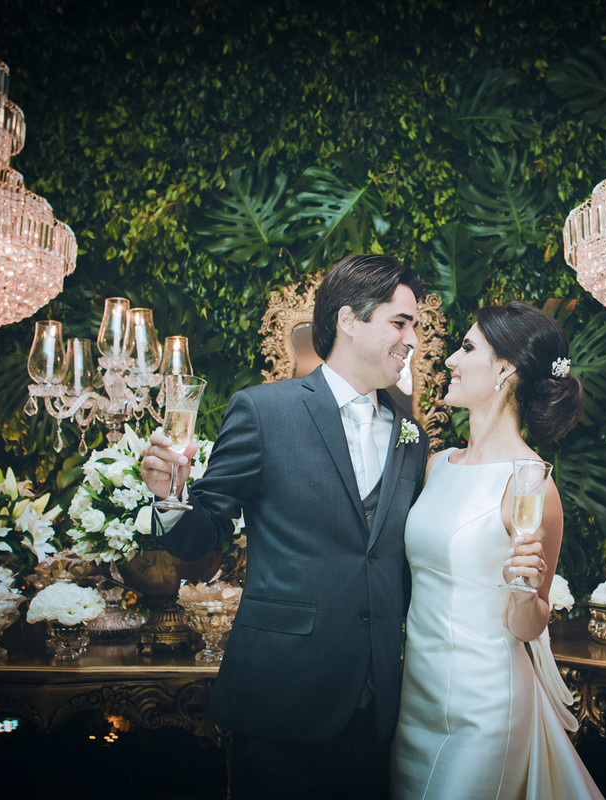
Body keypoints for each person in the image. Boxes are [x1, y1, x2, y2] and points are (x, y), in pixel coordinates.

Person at [140, 254, 430, 800]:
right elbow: (205, 534)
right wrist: (170, 497)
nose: (411, 338)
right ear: (349, 320)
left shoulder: (409, 432)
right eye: (400, 322)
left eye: (413, 325)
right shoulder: (262, 411)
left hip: (379, 706)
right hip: (283, 695)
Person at [390, 301, 605, 799]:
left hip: (486, 704)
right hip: (415, 695)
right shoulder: (437, 464)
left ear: (505, 370)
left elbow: (528, 626)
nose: (448, 360)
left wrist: (527, 594)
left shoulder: (532, 486)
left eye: (466, 348)